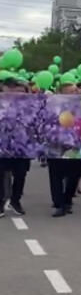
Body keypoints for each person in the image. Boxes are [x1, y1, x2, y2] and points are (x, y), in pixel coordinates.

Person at [49, 82, 81, 217]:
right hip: (56, 147)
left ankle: (67, 199)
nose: (74, 93)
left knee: (74, 175)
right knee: (56, 176)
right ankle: (59, 204)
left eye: (75, 91)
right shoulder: (53, 106)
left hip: (74, 147)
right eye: (71, 91)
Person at [0, 78, 31, 216]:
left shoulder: (28, 104)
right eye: (10, 87)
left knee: (20, 175)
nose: (13, 91)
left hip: (21, 147)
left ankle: (15, 200)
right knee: (1, 175)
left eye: (15, 88)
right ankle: (1, 203)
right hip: (3, 146)